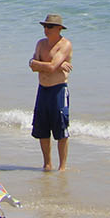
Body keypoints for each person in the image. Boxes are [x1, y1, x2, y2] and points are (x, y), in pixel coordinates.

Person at [28, 13, 73, 171]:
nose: (46, 29)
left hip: (58, 90)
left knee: (61, 129)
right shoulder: (40, 44)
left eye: (50, 26)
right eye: (45, 26)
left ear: (59, 28)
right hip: (43, 89)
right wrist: (49, 65)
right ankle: (47, 164)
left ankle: (62, 167)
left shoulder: (65, 45)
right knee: (42, 128)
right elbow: (32, 65)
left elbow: (50, 66)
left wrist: (45, 64)